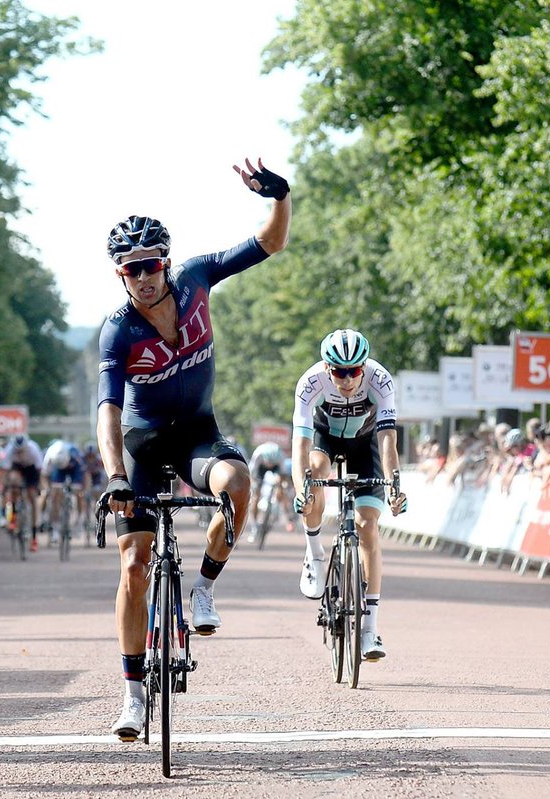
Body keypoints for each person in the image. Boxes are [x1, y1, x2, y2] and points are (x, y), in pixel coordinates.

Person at [96, 157, 291, 740]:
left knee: (236, 486)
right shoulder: (118, 331)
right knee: (134, 563)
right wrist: (114, 476)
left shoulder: (199, 277)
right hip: (143, 444)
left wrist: (279, 197)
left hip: (198, 431)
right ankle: (132, 697)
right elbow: (106, 409)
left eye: (151, 264)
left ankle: (204, 587)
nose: (144, 277)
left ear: (167, 262)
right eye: (132, 271)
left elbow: (268, 243)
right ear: (121, 277)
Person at [291, 329, 408, 663]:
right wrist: (303, 488)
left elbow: (388, 440)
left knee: (367, 524)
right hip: (324, 440)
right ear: (327, 368)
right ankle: (314, 553)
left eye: (354, 371)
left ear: (364, 367)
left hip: (365, 443)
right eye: (338, 371)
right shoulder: (310, 382)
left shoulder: (380, 380)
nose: (346, 379)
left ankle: (370, 629)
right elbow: (299, 445)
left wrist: (395, 484)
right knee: (316, 474)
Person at [0, 433, 43, 548]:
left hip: (31, 469)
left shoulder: (33, 450)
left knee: (32, 498)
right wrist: (4, 487)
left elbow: (39, 471)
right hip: (17, 468)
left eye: (22, 451)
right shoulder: (9, 450)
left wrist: (38, 486)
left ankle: (33, 537)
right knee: (13, 483)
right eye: (17, 451)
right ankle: (12, 516)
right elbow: (4, 472)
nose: (20, 453)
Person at [247, 440, 294, 540]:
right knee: (256, 495)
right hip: (260, 468)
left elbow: (284, 475)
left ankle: (287, 516)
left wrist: (282, 487)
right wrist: (255, 486)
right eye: (269, 463)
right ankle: (255, 526)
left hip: (277, 468)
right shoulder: (258, 454)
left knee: (282, 489)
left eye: (272, 464)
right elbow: (252, 474)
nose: (270, 465)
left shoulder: (280, 456)